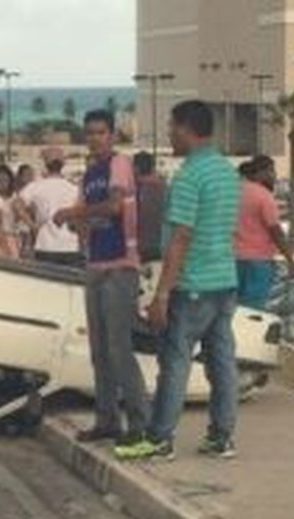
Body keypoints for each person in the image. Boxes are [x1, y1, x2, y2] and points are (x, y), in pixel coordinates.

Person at [123, 100, 241, 462]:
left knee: (175, 363)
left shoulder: (190, 176)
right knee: (222, 362)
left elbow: (180, 238)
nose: (170, 134)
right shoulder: (226, 171)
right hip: (224, 281)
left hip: (193, 286)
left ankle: (160, 438)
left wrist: (162, 294)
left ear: (188, 129)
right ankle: (221, 437)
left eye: (173, 127)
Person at [53, 109, 149, 449]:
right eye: (90, 132)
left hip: (120, 266)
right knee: (100, 351)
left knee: (118, 348)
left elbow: (113, 208)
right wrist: (76, 222)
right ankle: (107, 419)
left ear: (112, 135)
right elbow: (86, 218)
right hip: (95, 264)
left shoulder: (119, 165)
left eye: (100, 132)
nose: (94, 138)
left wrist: (73, 214)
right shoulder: (90, 174)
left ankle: (140, 422)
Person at [235, 156, 294, 309]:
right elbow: (275, 231)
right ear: (261, 172)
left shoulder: (234, 191)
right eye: (271, 171)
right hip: (258, 262)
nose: (274, 176)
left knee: (234, 308)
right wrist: (290, 258)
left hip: (232, 259)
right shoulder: (264, 196)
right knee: (253, 309)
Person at [16, 147, 82, 267]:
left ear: (46, 164)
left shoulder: (35, 186)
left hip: (45, 244)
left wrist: (32, 225)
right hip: (70, 244)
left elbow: (17, 204)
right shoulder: (74, 188)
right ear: (63, 164)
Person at [133, 151, 167, 263]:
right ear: (153, 168)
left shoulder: (135, 190)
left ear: (136, 169)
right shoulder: (166, 188)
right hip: (163, 248)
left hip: (141, 249)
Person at [15, 164, 37, 258]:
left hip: (31, 232)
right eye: (27, 174)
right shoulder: (14, 193)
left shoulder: (35, 191)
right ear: (20, 176)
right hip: (19, 231)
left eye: (32, 175)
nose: (30, 178)